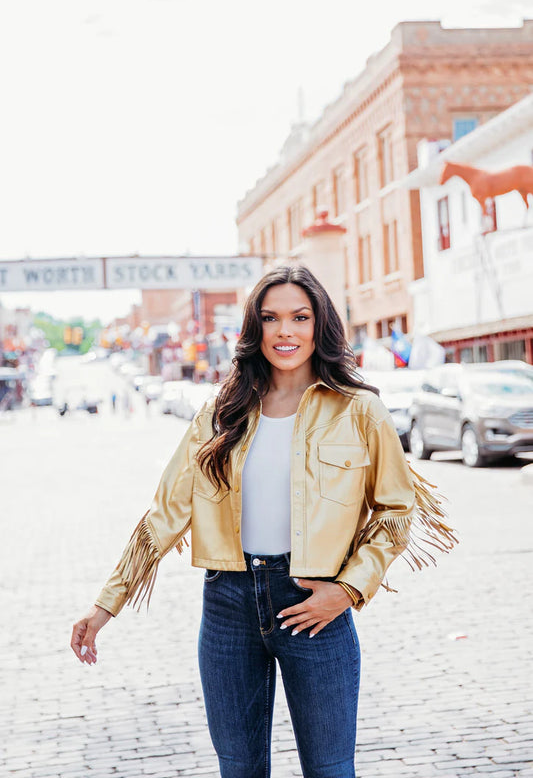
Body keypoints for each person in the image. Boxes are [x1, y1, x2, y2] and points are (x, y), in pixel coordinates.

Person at [71, 265, 456, 778]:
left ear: (320, 324)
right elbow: (165, 512)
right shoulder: (220, 412)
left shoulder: (359, 410)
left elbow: (395, 512)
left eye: (300, 316)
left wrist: (347, 591)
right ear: (255, 329)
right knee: (240, 770)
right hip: (227, 606)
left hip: (315, 603)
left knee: (330, 770)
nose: (285, 331)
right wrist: (105, 606)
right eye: (271, 318)